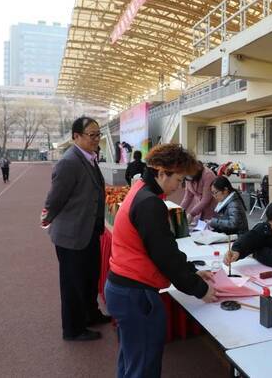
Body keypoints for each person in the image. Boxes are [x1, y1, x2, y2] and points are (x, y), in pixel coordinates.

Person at [105, 144, 217, 378]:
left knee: (132, 359)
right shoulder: (149, 203)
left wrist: (191, 272)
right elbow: (164, 255)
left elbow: (164, 248)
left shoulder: (142, 190)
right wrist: (199, 288)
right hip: (136, 293)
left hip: (124, 289)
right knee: (143, 365)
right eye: (178, 179)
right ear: (162, 172)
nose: (179, 186)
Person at [42, 117, 111, 342]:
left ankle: (91, 314)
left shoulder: (90, 158)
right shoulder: (69, 162)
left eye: (98, 134)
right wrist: (49, 220)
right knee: (73, 284)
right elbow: (54, 199)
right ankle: (72, 329)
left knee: (90, 277)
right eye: (91, 135)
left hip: (89, 230)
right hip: (71, 235)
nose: (96, 139)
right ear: (76, 137)